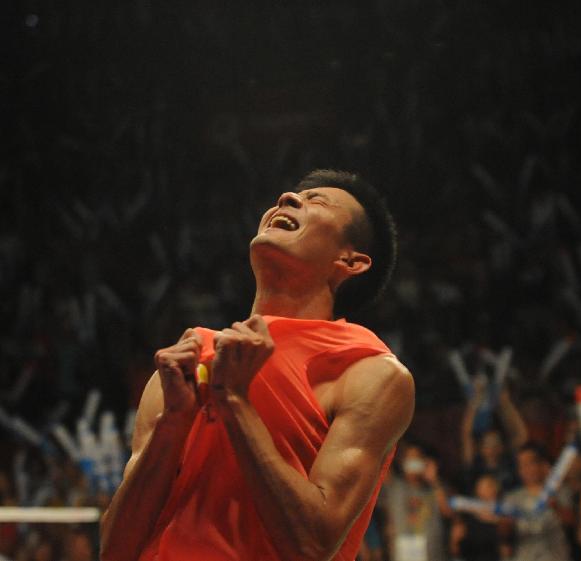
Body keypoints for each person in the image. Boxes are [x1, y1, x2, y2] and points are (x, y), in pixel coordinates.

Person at [100, 170, 415, 561]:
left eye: (317, 201)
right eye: (291, 196)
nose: (288, 198)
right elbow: (115, 550)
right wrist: (174, 422)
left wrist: (233, 400)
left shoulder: (369, 371)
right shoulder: (186, 359)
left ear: (351, 261)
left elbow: (313, 546)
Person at [380, 442, 452, 561]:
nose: (413, 462)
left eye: (417, 458)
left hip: (432, 554)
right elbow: (382, 459)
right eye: (410, 458)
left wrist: (434, 480)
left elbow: (447, 512)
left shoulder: (435, 488)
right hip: (402, 554)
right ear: (403, 462)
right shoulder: (394, 486)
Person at [503, 442, 572, 561]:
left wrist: (555, 506)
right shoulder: (512, 498)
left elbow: (572, 522)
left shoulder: (560, 491)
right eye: (522, 465)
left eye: (530, 463)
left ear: (541, 465)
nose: (526, 469)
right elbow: (504, 535)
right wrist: (505, 523)